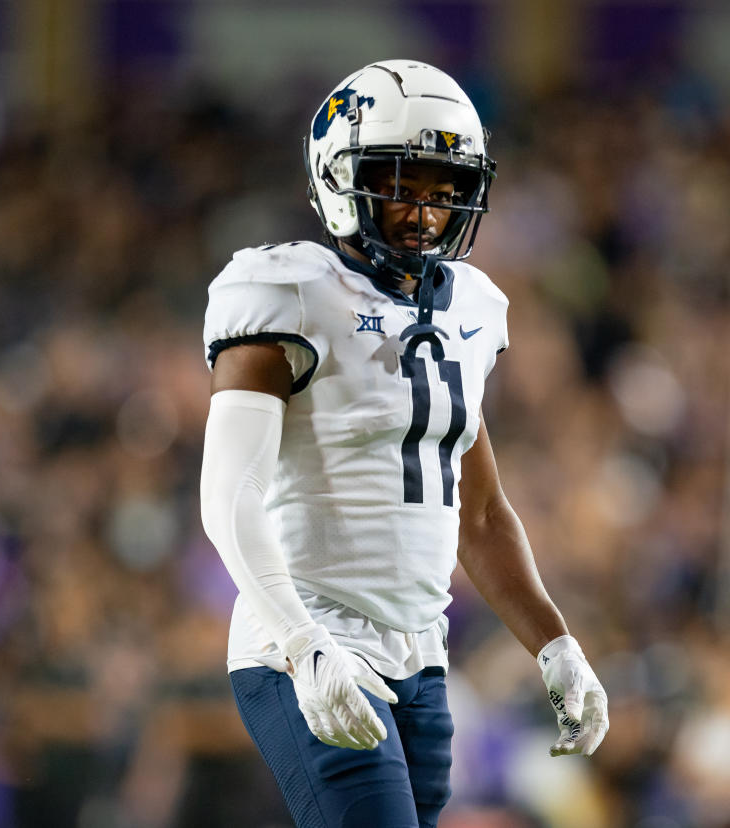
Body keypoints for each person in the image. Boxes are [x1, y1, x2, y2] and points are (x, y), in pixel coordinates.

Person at [199, 60, 609, 828]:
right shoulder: (286, 291)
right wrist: (302, 644)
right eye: (405, 184)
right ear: (340, 177)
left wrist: (556, 645)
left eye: (445, 188)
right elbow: (228, 496)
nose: (427, 210)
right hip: (307, 637)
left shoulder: (472, 310)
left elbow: (481, 515)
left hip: (421, 655)